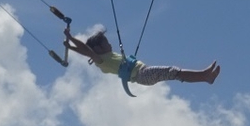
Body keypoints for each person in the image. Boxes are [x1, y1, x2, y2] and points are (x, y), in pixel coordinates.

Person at [63, 28, 220, 86]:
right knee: (173, 72)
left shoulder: (105, 56)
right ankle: (204, 76)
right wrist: (71, 39)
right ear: (98, 49)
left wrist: (71, 46)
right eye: (106, 43)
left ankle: (205, 77)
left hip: (143, 75)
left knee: (175, 74)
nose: (110, 45)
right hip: (142, 74)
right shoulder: (102, 61)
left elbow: (86, 51)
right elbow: (87, 50)